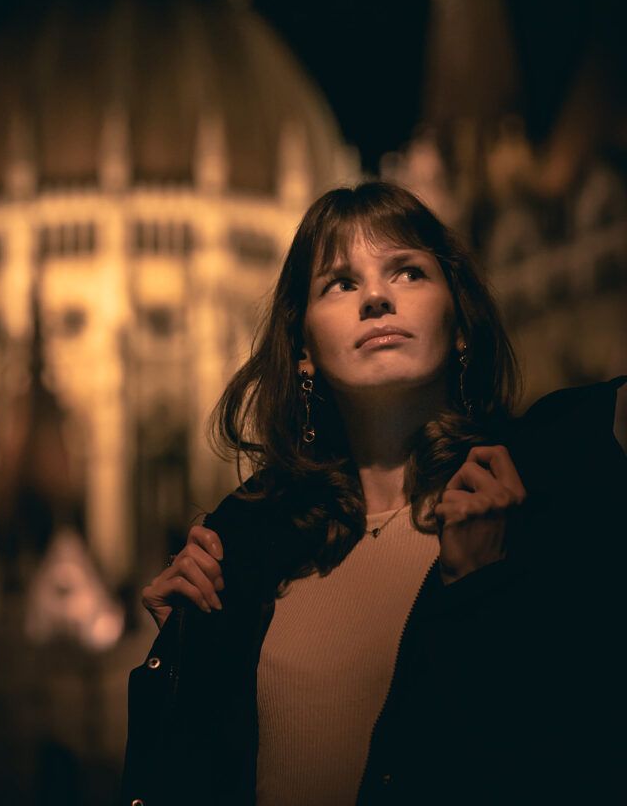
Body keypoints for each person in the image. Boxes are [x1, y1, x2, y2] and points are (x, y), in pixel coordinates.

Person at [120, 181, 626, 806]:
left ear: (460, 323)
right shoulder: (254, 545)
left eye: (408, 272)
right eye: (340, 282)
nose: (377, 298)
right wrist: (186, 657)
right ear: (303, 351)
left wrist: (487, 591)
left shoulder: (551, 490)